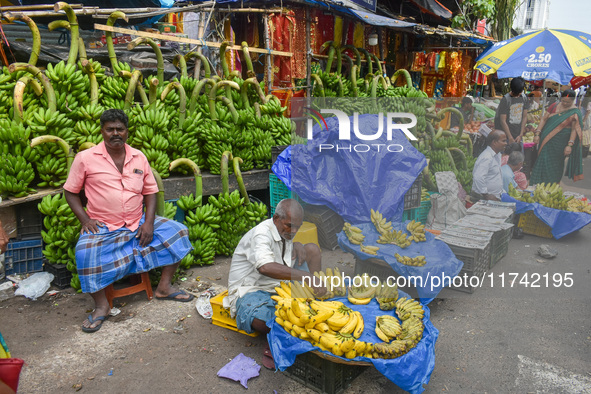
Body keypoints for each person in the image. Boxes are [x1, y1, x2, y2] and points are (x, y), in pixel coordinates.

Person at [63, 109, 193, 333]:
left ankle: (163, 287)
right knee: (84, 252)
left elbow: (150, 191)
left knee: (178, 232)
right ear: (102, 131)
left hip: (136, 221)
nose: (115, 133)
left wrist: (149, 223)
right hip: (104, 225)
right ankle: (102, 306)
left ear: (127, 132)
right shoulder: (85, 158)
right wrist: (85, 219)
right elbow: (70, 192)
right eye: (110, 129)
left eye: (120, 129)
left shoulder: (138, 157)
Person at [225, 198, 322, 369]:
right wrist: (306, 277)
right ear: (276, 218)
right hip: (252, 290)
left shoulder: (285, 230)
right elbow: (265, 267)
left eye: (297, 227)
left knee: (312, 249)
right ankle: (275, 338)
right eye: (289, 225)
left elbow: (285, 247)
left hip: (278, 283)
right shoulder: (261, 234)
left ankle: (316, 298)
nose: (293, 231)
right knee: (266, 319)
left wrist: (296, 244)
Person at [530, 89, 584, 185]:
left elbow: (573, 130)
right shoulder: (554, 106)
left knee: (555, 165)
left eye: (568, 102)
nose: (565, 103)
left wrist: (570, 145)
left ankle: (551, 187)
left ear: (573, 100)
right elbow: (544, 119)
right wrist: (537, 133)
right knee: (541, 161)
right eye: (563, 101)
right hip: (546, 140)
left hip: (560, 144)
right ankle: (536, 185)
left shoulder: (574, 112)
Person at [471, 130, 508, 201]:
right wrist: (486, 195)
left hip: (493, 197)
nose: (506, 143)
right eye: (503, 141)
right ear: (494, 142)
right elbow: (478, 177)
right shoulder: (487, 157)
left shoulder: (497, 156)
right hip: (482, 198)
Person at [494, 77, 529, 149]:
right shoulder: (506, 100)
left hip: (518, 136)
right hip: (506, 136)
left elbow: (525, 117)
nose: (518, 95)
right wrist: (510, 138)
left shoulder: (524, 98)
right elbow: (502, 121)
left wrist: (521, 135)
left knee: (518, 158)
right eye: (516, 93)